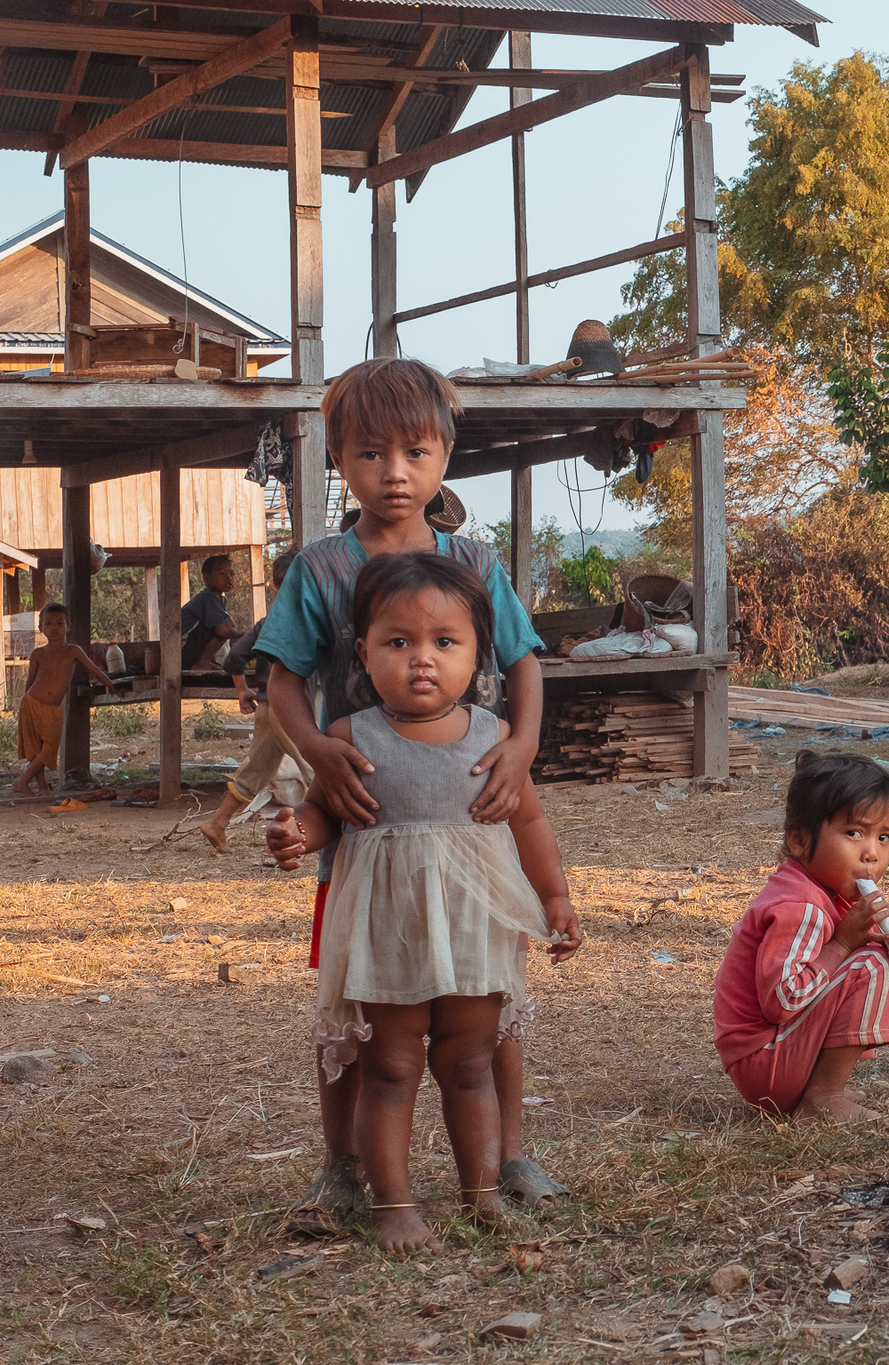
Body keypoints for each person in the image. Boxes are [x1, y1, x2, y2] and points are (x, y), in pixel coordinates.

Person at [255, 356, 562, 1230]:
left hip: (472, 814)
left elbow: (525, 659)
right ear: (339, 462)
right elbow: (279, 678)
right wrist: (317, 750)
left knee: (488, 989)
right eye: (370, 454)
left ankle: (507, 1157)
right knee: (356, 995)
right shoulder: (320, 570)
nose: (394, 472)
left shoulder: (471, 561)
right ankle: (341, 1164)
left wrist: (525, 747)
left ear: (445, 454)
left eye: (415, 452)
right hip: (364, 817)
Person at [265, 553, 582, 1254]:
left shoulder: (494, 740)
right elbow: (326, 812)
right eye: (398, 642)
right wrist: (297, 831)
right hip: (389, 937)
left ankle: (483, 1193)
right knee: (391, 1068)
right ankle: (396, 1206)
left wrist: (555, 895)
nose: (421, 660)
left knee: (471, 1065)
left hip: (474, 934)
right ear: (362, 653)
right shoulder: (351, 738)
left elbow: (528, 823)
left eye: (445, 642)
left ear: (478, 654)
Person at [715, 750, 889, 1123]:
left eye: (884, 837)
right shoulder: (800, 906)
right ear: (800, 842)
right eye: (854, 833)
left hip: (775, 1055)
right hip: (763, 1062)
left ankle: (816, 1086)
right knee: (872, 963)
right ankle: (822, 1097)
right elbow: (782, 1001)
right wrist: (843, 945)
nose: (871, 854)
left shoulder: (835, 894)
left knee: (881, 953)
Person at [198, 551, 304, 853]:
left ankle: (217, 823)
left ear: (273, 588)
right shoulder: (308, 621)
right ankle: (315, 836)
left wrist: (243, 690)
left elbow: (233, 658)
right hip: (293, 708)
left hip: (268, 707)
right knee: (317, 769)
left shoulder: (266, 623)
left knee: (254, 771)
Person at [11, 603, 113, 797]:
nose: (54, 628)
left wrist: (111, 685)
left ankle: (22, 781)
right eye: (48, 624)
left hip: (53, 709)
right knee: (36, 749)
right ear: (41, 628)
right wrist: (23, 707)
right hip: (31, 703)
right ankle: (40, 787)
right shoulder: (38, 653)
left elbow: (94, 669)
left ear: (69, 626)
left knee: (49, 749)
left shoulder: (73, 651)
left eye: (59, 623)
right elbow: (30, 682)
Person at [181, 554, 239, 672]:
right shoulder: (208, 597)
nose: (229, 578)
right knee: (225, 626)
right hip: (182, 652)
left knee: (225, 622)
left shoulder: (220, 600)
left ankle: (209, 660)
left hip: (189, 650)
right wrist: (248, 636)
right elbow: (222, 630)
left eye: (231, 574)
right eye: (222, 574)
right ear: (206, 578)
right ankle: (203, 662)